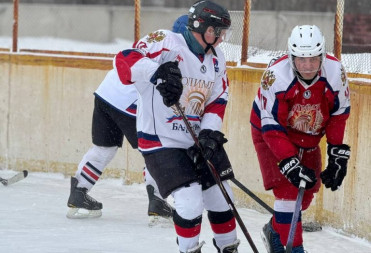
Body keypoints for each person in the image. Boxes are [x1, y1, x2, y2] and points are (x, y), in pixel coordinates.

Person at [113, 1, 240, 252]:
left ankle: (229, 248)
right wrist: (157, 72)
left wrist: (209, 133)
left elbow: (217, 100)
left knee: (223, 197)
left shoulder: (217, 59)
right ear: (203, 27)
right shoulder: (166, 41)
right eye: (219, 31)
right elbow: (124, 59)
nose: (222, 38)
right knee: (190, 203)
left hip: (197, 139)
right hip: (161, 140)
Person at [250, 25, 351, 253]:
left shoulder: (335, 72)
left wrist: (336, 154)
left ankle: (275, 230)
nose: (307, 66)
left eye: (313, 60)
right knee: (288, 193)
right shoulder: (276, 75)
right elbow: (272, 127)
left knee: (307, 191)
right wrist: (289, 162)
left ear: (322, 56)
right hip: (271, 134)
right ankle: (293, 248)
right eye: (301, 60)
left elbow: (338, 114)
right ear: (291, 56)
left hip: (309, 136)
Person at [66, 64, 173, 220]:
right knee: (154, 150)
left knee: (103, 148)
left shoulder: (150, 41)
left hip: (106, 93)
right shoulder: (175, 46)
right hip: (130, 101)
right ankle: (157, 201)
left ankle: (78, 193)